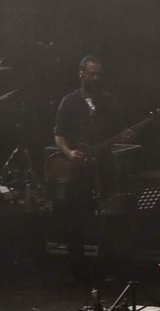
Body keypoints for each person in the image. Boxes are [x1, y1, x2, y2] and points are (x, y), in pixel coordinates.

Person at [53, 55, 131, 283]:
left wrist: (125, 136)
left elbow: (120, 131)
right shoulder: (69, 101)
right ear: (81, 74)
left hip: (104, 166)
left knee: (107, 219)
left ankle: (105, 269)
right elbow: (58, 134)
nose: (96, 78)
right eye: (91, 74)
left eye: (99, 74)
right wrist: (69, 153)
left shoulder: (109, 101)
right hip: (78, 169)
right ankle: (77, 271)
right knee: (76, 219)